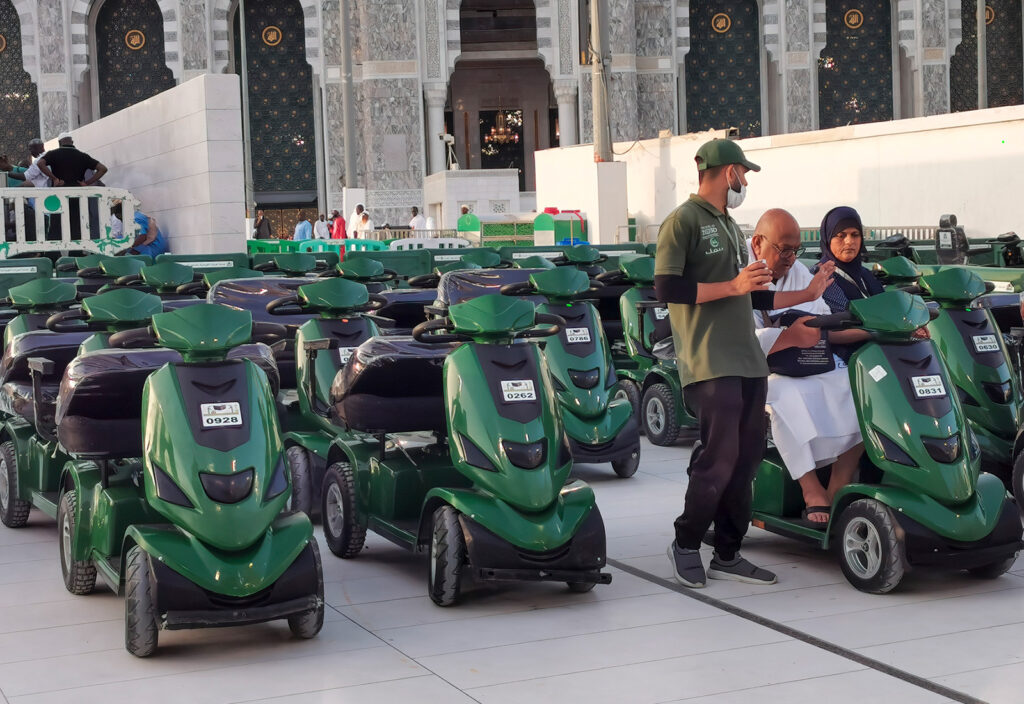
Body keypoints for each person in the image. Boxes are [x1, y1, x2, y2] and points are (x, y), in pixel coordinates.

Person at [654, 139, 832, 588]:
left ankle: (729, 552)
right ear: (726, 171)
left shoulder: (732, 227)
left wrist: (807, 295)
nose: (745, 181)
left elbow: (752, 292)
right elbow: (667, 289)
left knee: (748, 457)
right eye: (743, 173)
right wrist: (732, 286)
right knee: (720, 456)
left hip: (749, 361)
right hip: (708, 359)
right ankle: (687, 542)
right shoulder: (683, 221)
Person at [749, 209, 864, 524]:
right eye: (783, 250)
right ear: (758, 243)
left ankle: (838, 484)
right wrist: (787, 336)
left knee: (859, 391)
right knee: (784, 396)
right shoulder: (741, 271)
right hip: (763, 367)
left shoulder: (799, 271)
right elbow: (742, 337)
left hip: (810, 360)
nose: (790, 258)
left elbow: (822, 318)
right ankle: (810, 488)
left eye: (795, 250)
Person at [815, 206, 883, 360]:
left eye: (855, 235)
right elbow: (842, 320)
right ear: (828, 238)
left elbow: (886, 307)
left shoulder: (866, 275)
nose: (849, 241)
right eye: (841, 235)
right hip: (843, 361)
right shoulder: (821, 276)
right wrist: (876, 332)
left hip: (878, 352)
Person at [35, 133, 108, 239]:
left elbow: (40, 163)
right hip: (77, 195)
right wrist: (87, 183)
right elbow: (103, 169)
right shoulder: (83, 156)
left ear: (59, 143)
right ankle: (76, 253)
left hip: (58, 194)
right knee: (76, 225)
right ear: (72, 142)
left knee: (56, 224)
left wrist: (54, 178)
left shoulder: (54, 154)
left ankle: (54, 254)